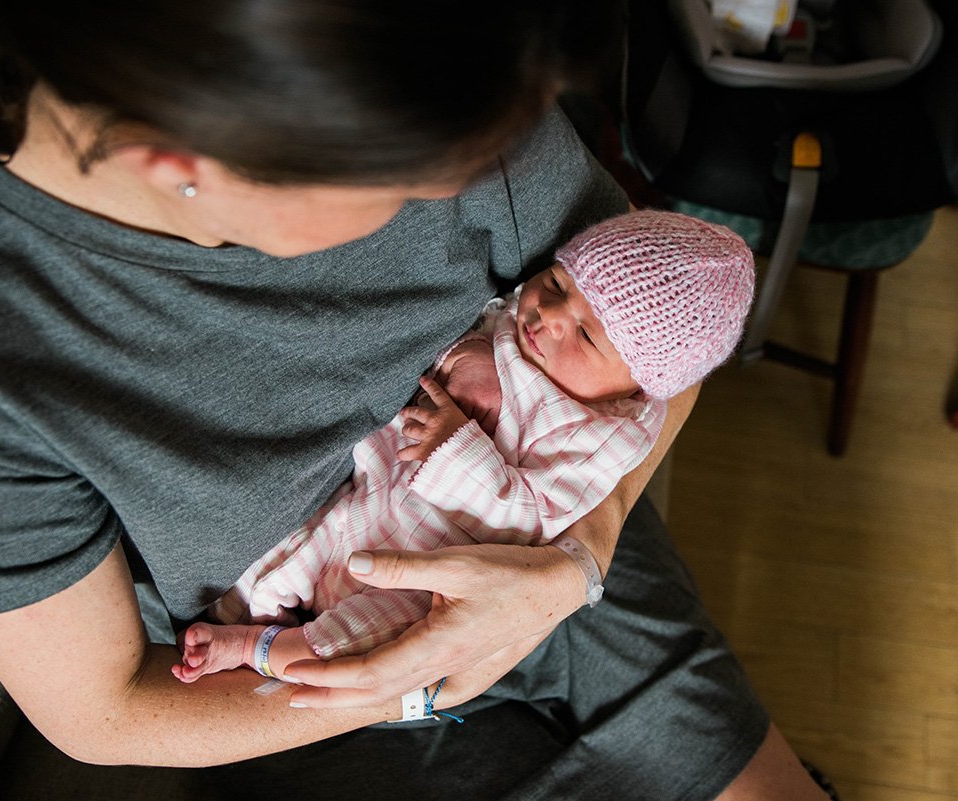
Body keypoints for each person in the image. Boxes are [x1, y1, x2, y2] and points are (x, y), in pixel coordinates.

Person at [0, 1, 830, 798]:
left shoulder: (422, 64)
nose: (462, 186)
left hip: (524, 519)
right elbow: (100, 713)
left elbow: (669, 353)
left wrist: (576, 564)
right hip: (307, 649)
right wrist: (407, 678)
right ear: (188, 167)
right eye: (403, 187)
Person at [173, 210, 756, 685]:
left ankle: (260, 649)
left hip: (433, 573)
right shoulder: (513, 324)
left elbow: (529, 517)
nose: (548, 316)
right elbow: (465, 319)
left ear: (636, 384)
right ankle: (232, 616)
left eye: (584, 333)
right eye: (555, 284)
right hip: (369, 494)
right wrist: (464, 355)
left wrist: (458, 447)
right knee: (283, 560)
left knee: (368, 645)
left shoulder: (602, 435)